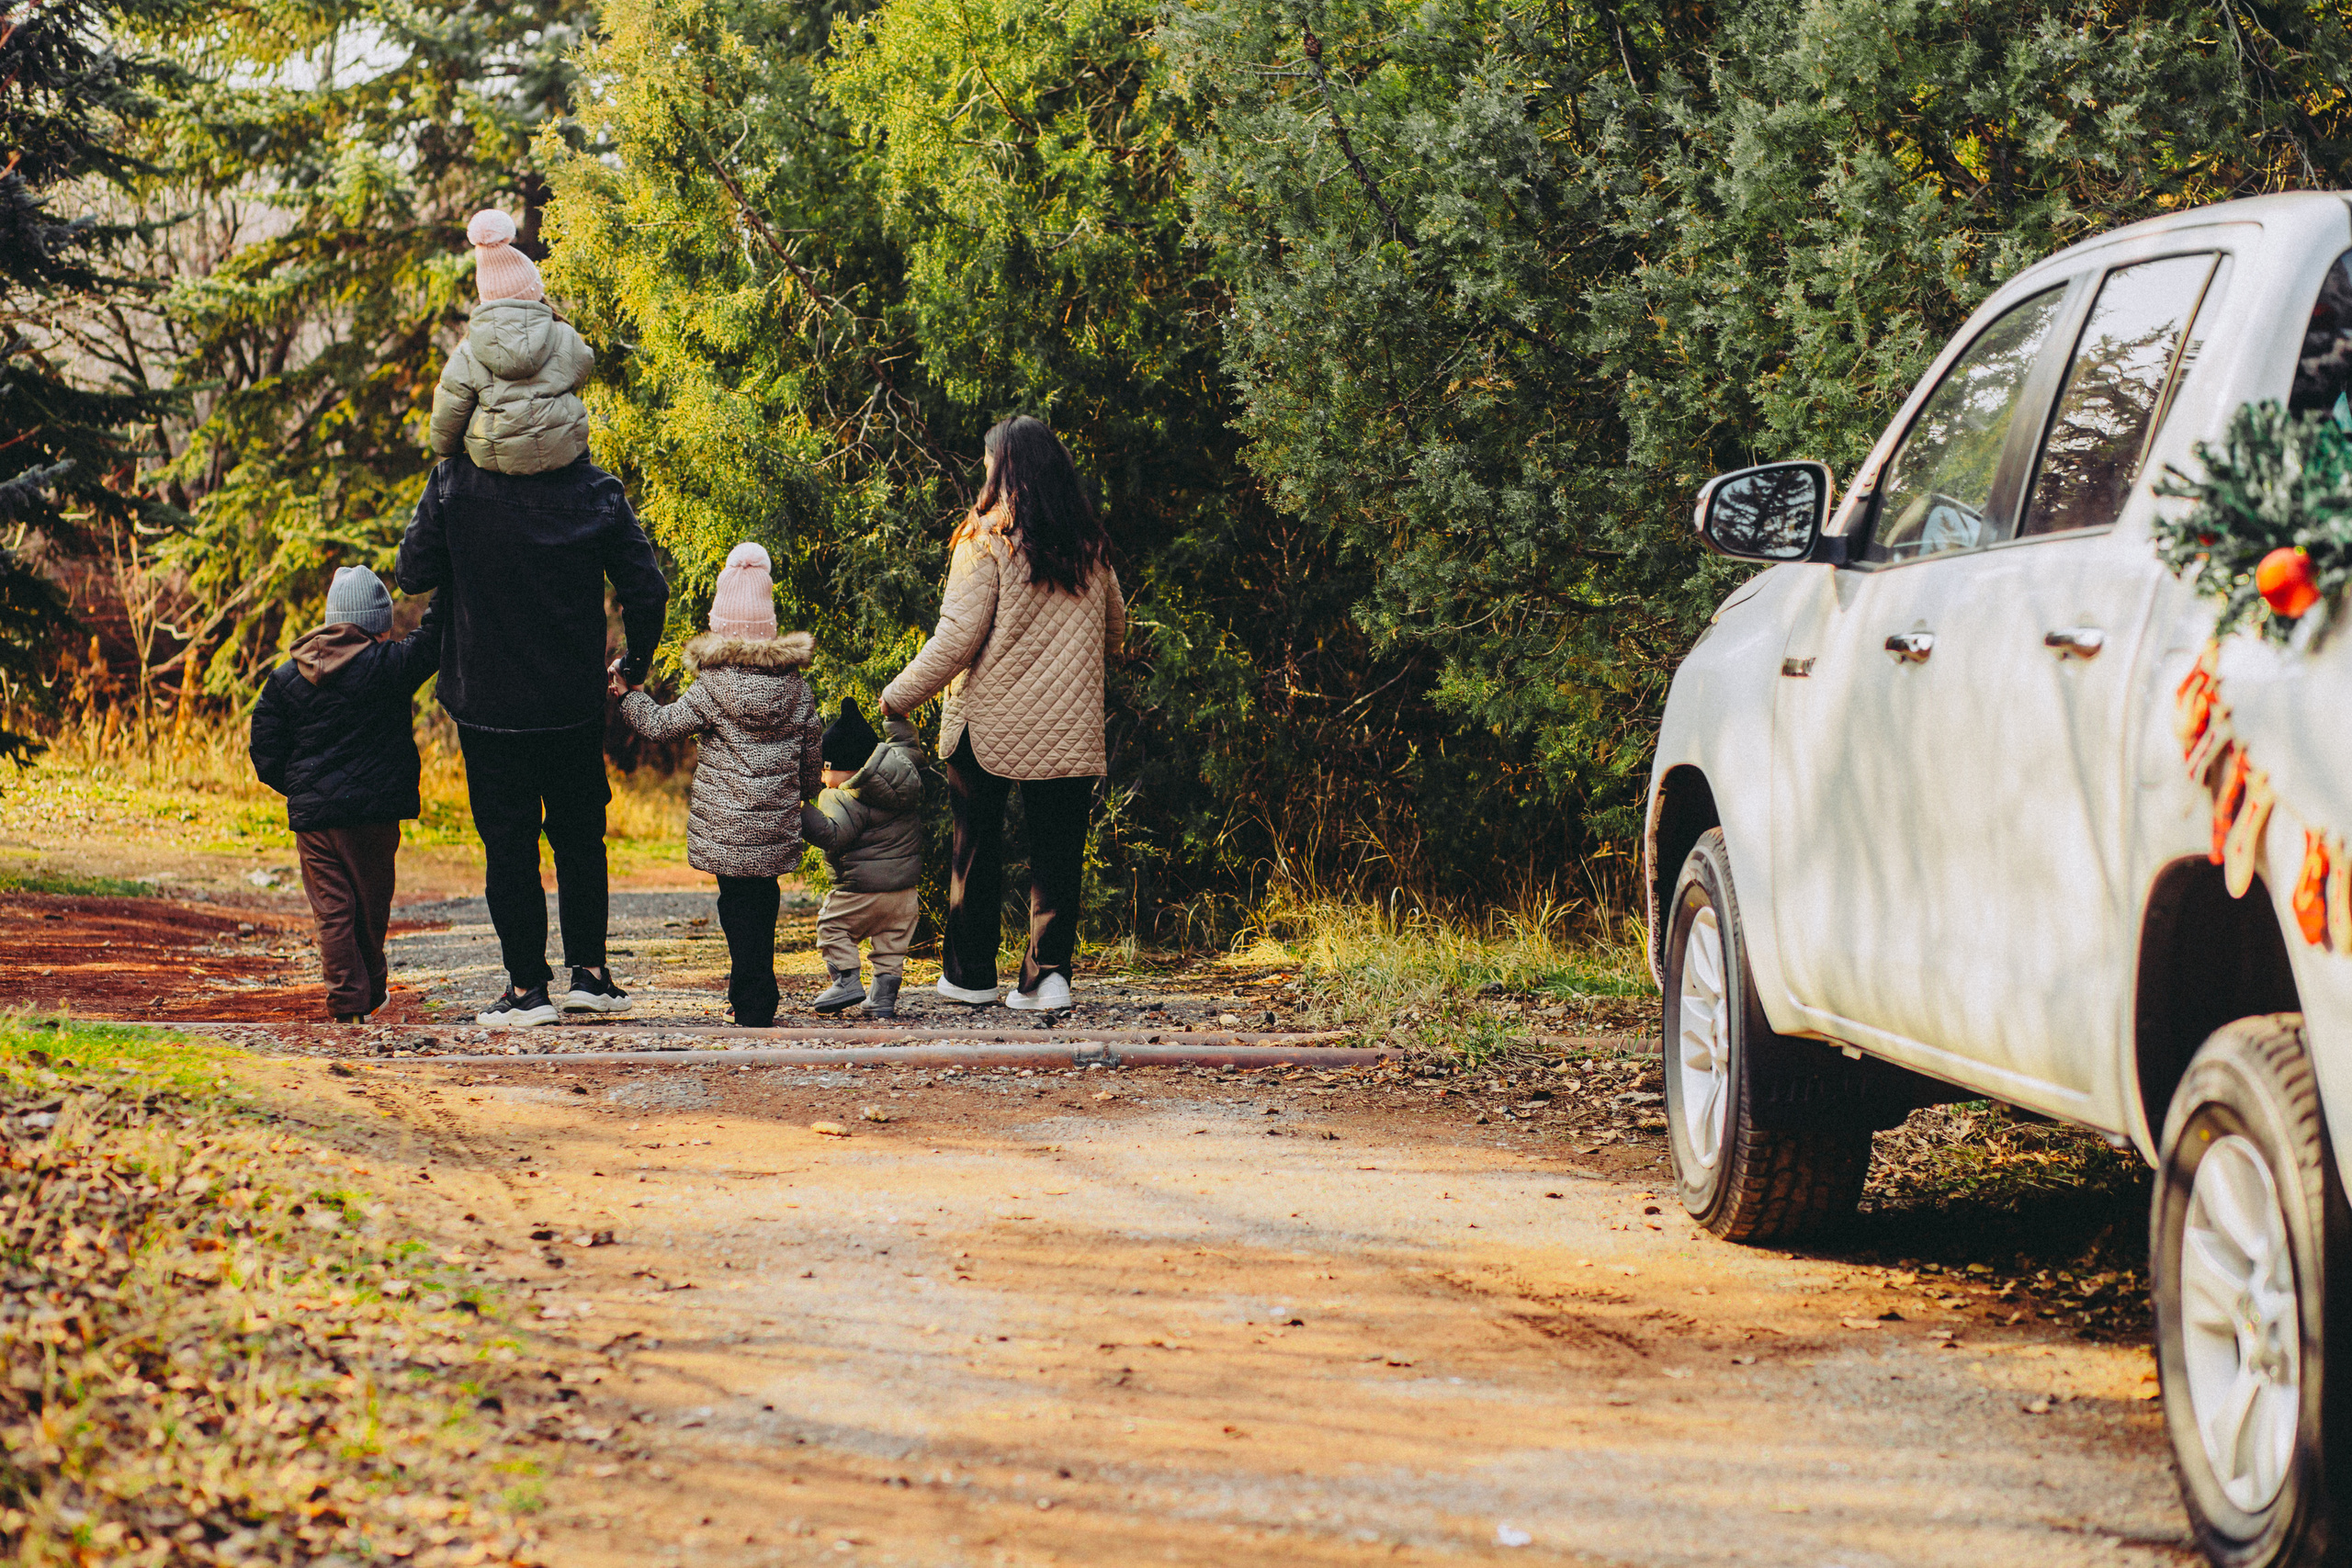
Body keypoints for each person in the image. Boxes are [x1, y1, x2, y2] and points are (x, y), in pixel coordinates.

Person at [395, 226, 667, 1028]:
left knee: (507, 841)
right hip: (573, 697)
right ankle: (590, 974)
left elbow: (412, 573)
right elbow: (645, 586)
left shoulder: (452, 486)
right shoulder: (595, 490)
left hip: (485, 699)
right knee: (581, 833)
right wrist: (635, 663)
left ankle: (526, 989)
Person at [880, 414, 1123, 1012]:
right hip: (1069, 724)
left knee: (977, 847)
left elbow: (956, 641)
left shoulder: (985, 540)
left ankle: (970, 976)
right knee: (1058, 853)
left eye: (989, 460)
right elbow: (1116, 632)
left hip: (986, 722)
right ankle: (1048, 979)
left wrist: (896, 696)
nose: (984, 470)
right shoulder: (1090, 547)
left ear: (1006, 468)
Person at [615, 543, 822, 1030]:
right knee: (764, 903)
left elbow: (664, 725)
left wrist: (630, 699)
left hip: (727, 826)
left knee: (735, 907)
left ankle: (750, 1001)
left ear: (720, 624)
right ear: (767, 625)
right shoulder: (795, 686)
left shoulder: (713, 686)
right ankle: (754, 995)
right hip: (773, 822)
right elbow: (812, 748)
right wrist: (806, 792)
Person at [249, 567, 445, 1022]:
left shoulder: (286, 678)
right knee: (369, 910)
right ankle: (368, 994)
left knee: (334, 912)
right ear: (377, 624)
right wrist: (449, 571)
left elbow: (264, 747)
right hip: (373, 818)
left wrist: (301, 786)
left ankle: (350, 1002)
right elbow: (434, 637)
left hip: (316, 821)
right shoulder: (390, 665)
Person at [428, 209, 594, 477]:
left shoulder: (468, 353)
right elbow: (584, 365)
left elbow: (444, 435)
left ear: (486, 298)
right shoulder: (563, 335)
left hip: (494, 468)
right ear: (534, 292)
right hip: (564, 458)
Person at [799, 697, 924, 1019]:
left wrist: (799, 811)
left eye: (824, 771)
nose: (823, 781)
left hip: (859, 892)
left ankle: (846, 982)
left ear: (834, 768)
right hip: (904, 894)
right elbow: (906, 742)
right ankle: (882, 1000)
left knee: (833, 927)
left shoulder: (843, 797)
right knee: (891, 945)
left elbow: (832, 834)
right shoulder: (904, 769)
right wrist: (896, 718)